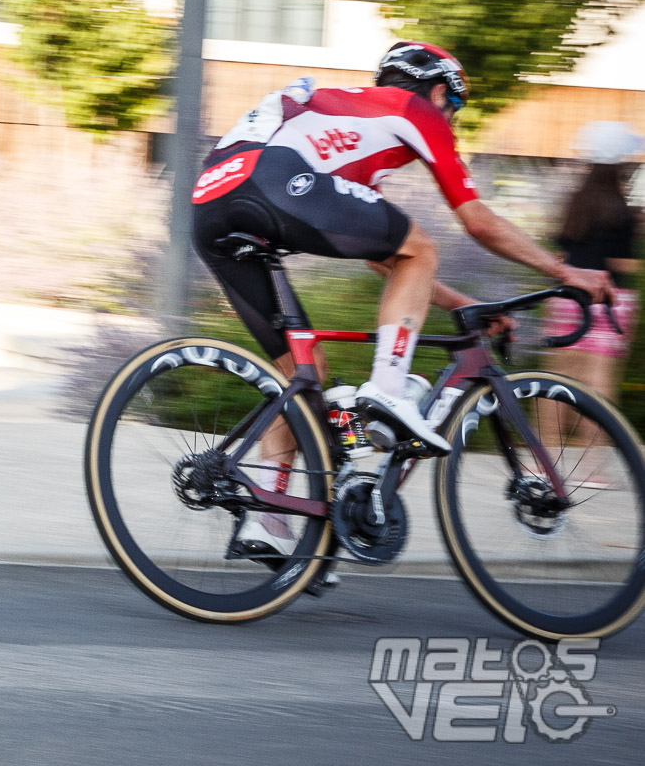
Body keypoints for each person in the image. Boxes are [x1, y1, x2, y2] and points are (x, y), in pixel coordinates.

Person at [191, 41, 614, 554]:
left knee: (303, 372)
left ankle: (270, 517)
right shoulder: (413, 108)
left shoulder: (344, 124)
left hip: (212, 202)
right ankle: (389, 388)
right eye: (454, 110)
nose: (451, 124)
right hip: (271, 177)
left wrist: (463, 305)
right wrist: (563, 271)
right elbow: (477, 222)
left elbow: (384, 259)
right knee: (422, 244)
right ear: (439, 93)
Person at [541, 122, 641, 486]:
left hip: (567, 296)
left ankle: (543, 464)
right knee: (599, 386)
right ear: (619, 167)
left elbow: (559, 250)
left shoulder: (574, 202)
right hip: (610, 298)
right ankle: (591, 470)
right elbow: (623, 264)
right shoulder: (624, 210)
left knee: (553, 382)